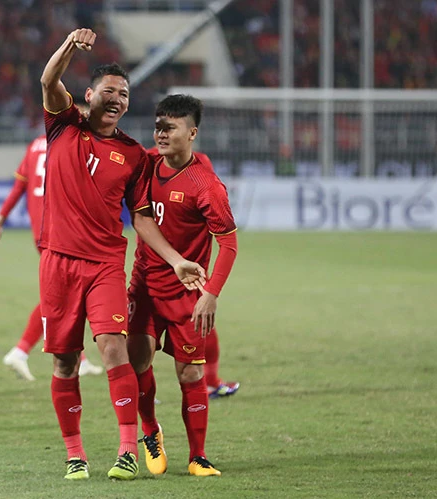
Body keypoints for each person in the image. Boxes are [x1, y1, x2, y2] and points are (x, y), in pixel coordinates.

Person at [39, 29, 205, 480]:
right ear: (89, 95)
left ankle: (128, 449)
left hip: (106, 265)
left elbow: (142, 218)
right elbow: (48, 80)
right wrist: (69, 45)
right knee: (64, 361)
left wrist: (175, 259)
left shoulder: (133, 155)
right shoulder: (63, 124)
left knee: (115, 348)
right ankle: (75, 455)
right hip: (57, 263)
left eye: (125, 94)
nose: (117, 99)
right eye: (109, 91)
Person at [127, 94, 238, 477]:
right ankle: (150, 430)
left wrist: (211, 294)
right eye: (157, 126)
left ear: (191, 133)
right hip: (144, 285)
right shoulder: (145, 164)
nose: (160, 134)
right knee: (138, 362)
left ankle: (197, 456)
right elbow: (138, 218)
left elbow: (229, 244)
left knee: (190, 374)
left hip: (187, 293)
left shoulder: (206, 186)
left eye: (170, 128)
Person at [0, 130, 103, 381]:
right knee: (64, 296)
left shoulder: (36, 144)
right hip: (61, 230)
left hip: (41, 230)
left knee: (70, 294)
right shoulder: (73, 143)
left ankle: (78, 359)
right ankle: (20, 351)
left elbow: (19, 186)